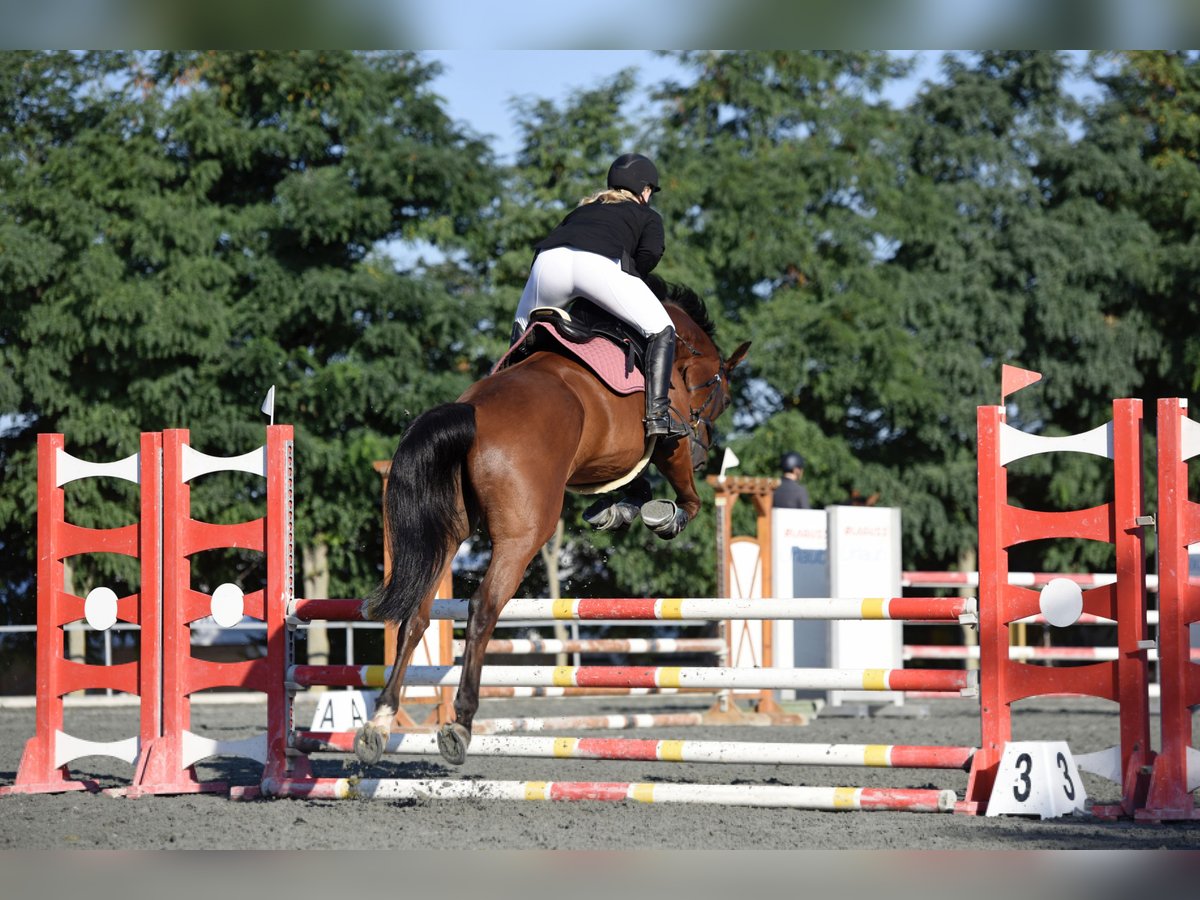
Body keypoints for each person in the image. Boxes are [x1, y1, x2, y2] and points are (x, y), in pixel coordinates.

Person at [512, 152, 680, 438]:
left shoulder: (581, 210)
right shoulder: (647, 215)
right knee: (663, 329)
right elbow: (649, 256)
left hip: (548, 263)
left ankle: (502, 389)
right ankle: (657, 416)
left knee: (521, 328)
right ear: (644, 190)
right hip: (596, 266)